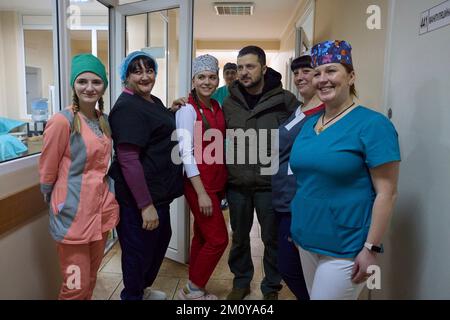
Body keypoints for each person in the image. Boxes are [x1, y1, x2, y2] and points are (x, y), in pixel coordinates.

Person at [289, 40, 401, 300]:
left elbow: (388, 193)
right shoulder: (310, 125)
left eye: (331, 71)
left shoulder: (373, 125)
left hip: (346, 246)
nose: (322, 79)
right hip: (306, 239)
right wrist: (297, 231)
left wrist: (370, 248)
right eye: (317, 73)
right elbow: (307, 181)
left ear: (351, 76)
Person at [39, 53, 119, 300]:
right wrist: (57, 202)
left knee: (92, 278)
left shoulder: (103, 120)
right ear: (73, 85)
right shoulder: (61, 121)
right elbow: (47, 171)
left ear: (104, 86)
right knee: (75, 285)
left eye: (96, 82)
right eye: (82, 81)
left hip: (99, 213)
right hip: (72, 216)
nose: (89, 87)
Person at [223, 45, 299, 300]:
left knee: (272, 239)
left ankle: (271, 287)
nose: (244, 72)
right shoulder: (229, 101)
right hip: (237, 184)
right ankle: (241, 281)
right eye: (240, 67)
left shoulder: (286, 100)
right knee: (240, 238)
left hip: (270, 184)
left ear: (264, 68)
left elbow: (304, 129)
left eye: (250, 66)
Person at [108, 51, 183, 300]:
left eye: (149, 70)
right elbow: (128, 160)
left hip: (158, 193)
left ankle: (142, 290)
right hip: (140, 200)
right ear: (126, 76)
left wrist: (171, 111)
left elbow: (154, 130)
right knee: (137, 253)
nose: (145, 76)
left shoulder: (151, 101)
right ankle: (133, 295)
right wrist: (145, 205)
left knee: (159, 242)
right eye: (137, 71)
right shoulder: (126, 108)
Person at [271, 55, 324, 300]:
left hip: (298, 202)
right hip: (283, 199)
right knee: (294, 267)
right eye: (296, 72)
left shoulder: (324, 113)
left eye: (307, 71)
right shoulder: (299, 110)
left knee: (290, 269)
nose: (300, 77)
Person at [175, 54, 228, 300]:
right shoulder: (187, 109)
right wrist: (202, 193)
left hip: (215, 182)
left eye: (212, 76)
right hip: (199, 184)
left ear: (217, 80)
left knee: (203, 235)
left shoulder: (216, 106)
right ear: (193, 80)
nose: (207, 81)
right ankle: (195, 288)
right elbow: (186, 153)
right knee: (218, 239)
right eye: (201, 77)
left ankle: (193, 283)